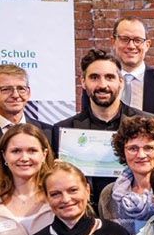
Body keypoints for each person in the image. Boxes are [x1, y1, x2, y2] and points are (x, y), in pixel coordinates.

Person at [52, 50, 146, 197]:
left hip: (136, 213)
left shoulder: (148, 124)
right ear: (83, 82)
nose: (103, 85)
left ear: (120, 82)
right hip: (84, 213)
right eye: (94, 77)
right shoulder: (63, 130)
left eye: (109, 77)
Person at [98, 114, 154, 235]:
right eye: (133, 148)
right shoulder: (108, 195)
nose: (141, 155)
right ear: (123, 152)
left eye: (149, 148)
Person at [110, 17, 154, 137]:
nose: (131, 46)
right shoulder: (99, 83)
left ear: (147, 45)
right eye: (124, 39)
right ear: (113, 41)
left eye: (138, 40)